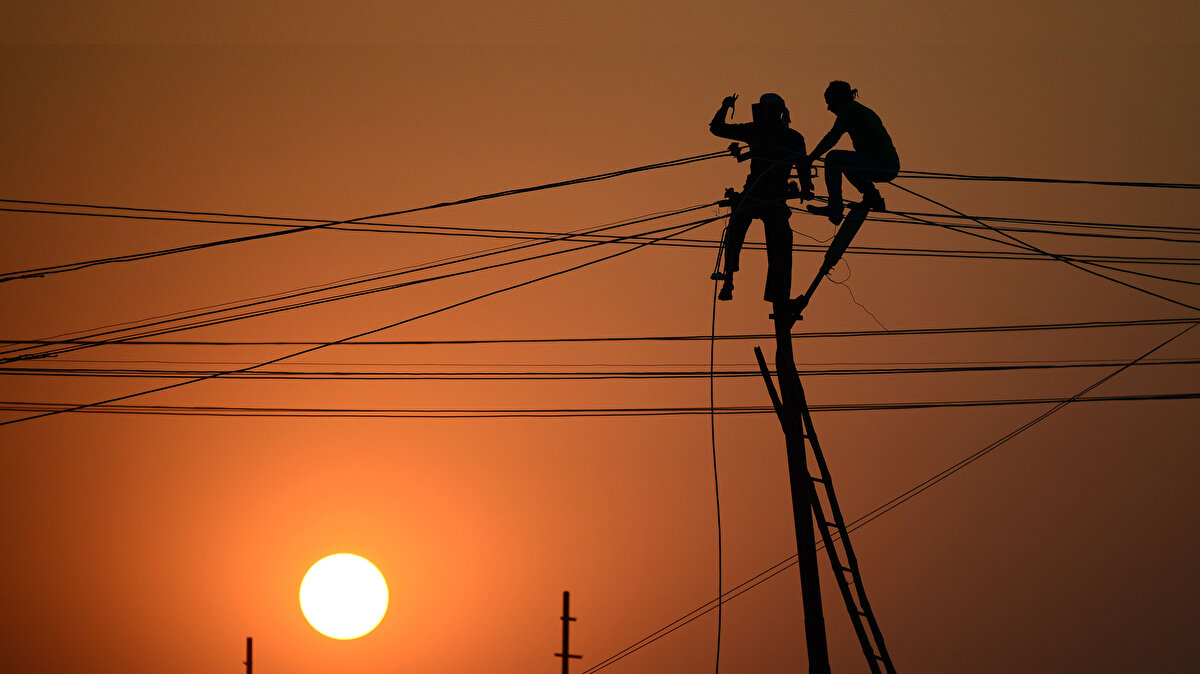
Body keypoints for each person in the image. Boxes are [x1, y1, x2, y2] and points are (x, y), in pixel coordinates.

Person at [709, 92, 814, 306]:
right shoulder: (769, 133)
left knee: (773, 243)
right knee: (738, 232)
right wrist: (805, 188)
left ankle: (775, 296)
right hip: (759, 194)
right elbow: (717, 129)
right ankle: (729, 280)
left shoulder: (774, 134)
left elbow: (802, 165)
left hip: (768, 196)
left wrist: (805, 187)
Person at [805, 81, 899, 225]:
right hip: (885, 163)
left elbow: (832, 137)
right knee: (844, 162)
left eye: (830, 102)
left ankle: (835, 207)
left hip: (881, 163)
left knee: (833, 158)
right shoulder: (860, 110)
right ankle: (872, 197)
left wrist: (810, 159)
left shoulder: (849, 110)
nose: (829, 108)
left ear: (839, 99)